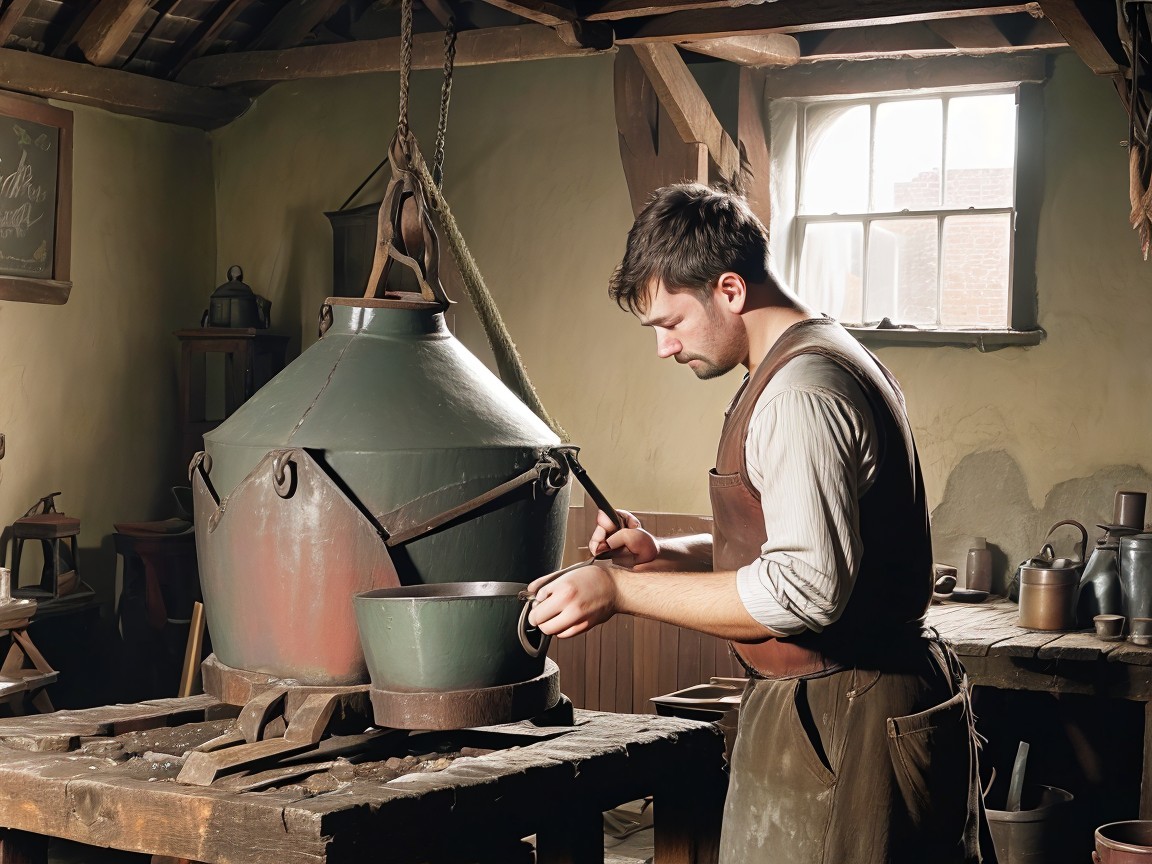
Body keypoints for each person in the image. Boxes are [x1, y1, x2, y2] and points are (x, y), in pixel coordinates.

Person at [527, 183, 989, 863]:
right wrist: (663, 552)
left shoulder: (800, 394)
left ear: (731, 289)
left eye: (671, 322)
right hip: (843, 697)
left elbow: (805, 588)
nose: (663, 347)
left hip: (846, 708)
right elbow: (808, 544)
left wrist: (619, 590)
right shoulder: (811, 355)